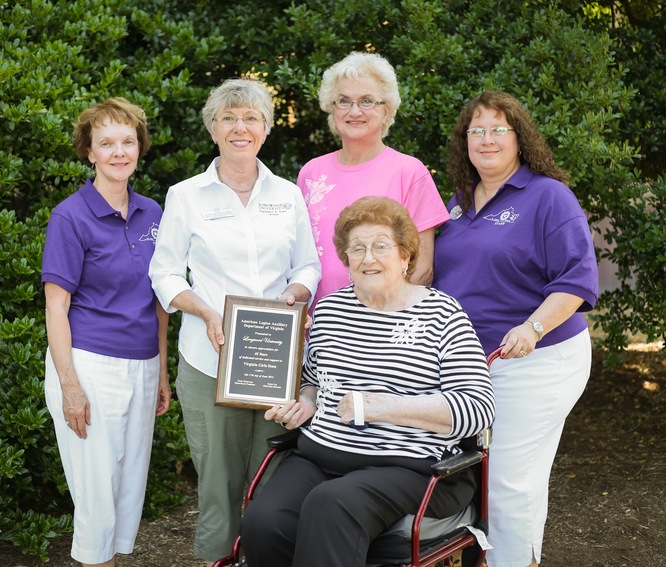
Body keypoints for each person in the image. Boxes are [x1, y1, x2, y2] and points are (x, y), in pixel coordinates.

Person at [240, 196, 495, 567]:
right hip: (320, 454)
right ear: (345, 259)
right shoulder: (329, 310)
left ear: (406, 255)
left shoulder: (443, 315)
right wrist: (306, 403)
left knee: (332, 505)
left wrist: (382, 406)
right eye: (356, 249)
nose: (368, 258)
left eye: (380, 246)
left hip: (409, 464)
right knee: (264, 522)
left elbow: (478, 408)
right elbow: (314, 379)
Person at [148, 78, 321, 565]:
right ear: (213, 128)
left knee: (274, 471)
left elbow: (308, 265)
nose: (239, 127)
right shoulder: (186, 195)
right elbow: (162, 271)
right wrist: (203, 311)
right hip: (208, 359)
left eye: (250, 118)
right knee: (218, 478)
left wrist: (293, 295)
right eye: (228, 118)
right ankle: (217, 559)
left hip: (274, 360)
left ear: (266, 128)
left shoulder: (287, 194)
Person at [432, 91, 599, 567]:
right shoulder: (459, 202)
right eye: (476, 130)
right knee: (481, 476)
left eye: (498, 129)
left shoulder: (548, 195)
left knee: (508, 477)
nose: (486, 139)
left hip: (538, 359)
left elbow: (577, 279)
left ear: (519, 139)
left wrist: (533, 326)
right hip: (472, 362)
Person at [42, 97, 171, 567]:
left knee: (127, 490)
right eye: (107, 143)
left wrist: (161, 372)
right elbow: (56, 307)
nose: (120, 152)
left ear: (139, 148)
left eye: (128, 141)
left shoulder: (154, 213)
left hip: (143, 363)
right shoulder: (70, 216)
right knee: (96, 498)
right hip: (90, 367)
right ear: (90, 152)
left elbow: (159, 300)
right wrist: (70, 387)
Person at [298, 51, 450, 306]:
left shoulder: (410, 172)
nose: (354, 110)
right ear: (331, 108)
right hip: (318, 330)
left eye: (367, 101)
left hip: (382, 330)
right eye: (343, 101)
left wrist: (379, 319)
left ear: (386, 109)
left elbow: (422, 268)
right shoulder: (311, 173)